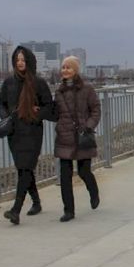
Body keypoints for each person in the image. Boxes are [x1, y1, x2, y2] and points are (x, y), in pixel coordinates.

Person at [0, 46, 54, 225]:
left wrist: (36, 113)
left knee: (26, 167)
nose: (20, 63)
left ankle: (16, 210)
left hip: (32, 131)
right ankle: (36, 202)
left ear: (29, 61)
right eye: (17, 60)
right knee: (23, 168)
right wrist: (6, 118)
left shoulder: (38, 83)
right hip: (15, 132)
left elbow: (49, 106)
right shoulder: (9, 82)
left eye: (23, 59)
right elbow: (0, 103)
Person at [52, 56, 101, 222]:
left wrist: (89, 126)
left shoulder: (87, 89)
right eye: (63, 67)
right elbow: (55, 113)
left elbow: (96, 109)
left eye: (69, 67)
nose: (65, 70)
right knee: (65, 176)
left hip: (82, 136)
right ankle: (69, 210)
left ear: (75, 70)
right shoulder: (59, 91)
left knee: (83, 171)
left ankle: (93, 191)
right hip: (65, 136)